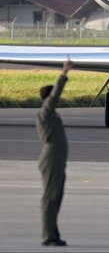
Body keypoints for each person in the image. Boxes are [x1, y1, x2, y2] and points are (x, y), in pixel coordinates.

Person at [37, 59, 73, 247]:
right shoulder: (46, 112)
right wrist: (64, 73)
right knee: (50, 197)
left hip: (56, 159)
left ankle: (53, 233)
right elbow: (54, 97)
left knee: (56, 196)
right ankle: (48, 236)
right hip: (51, 159)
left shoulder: (50, 113)